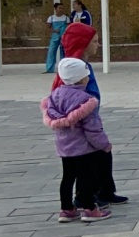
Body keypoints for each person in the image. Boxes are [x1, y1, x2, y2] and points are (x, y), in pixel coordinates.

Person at [50, 22, 125, 206]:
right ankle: (87, 197)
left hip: (88, 119)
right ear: (82, 44)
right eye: (95, 42)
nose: (98, 45)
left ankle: (103, 191)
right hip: (85, 123)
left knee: (100, 157)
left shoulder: (77, 67)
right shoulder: (77, 69)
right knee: (93, 159)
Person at [43, 57, 112, 223]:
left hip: (64, 147)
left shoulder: (55, 96)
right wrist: (104, 145)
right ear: (82, 78)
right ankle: (88, 208)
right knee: (86, 178)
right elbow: (92, 128)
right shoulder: (85, 100)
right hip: (83, 148)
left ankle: (66, 209)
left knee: (67, 178)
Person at [43, 3, 69, 73]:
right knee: (51, 52)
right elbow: (48, 28)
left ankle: (63, 68)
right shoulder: (51, 18)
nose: (61, 10)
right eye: (59, 8)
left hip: (63, 37)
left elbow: (69, 27)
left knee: (63, 52)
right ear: (55, 9)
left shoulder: (66, 18)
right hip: (55, 37)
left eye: (62, 8)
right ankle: (49, 68)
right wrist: (54, 30)